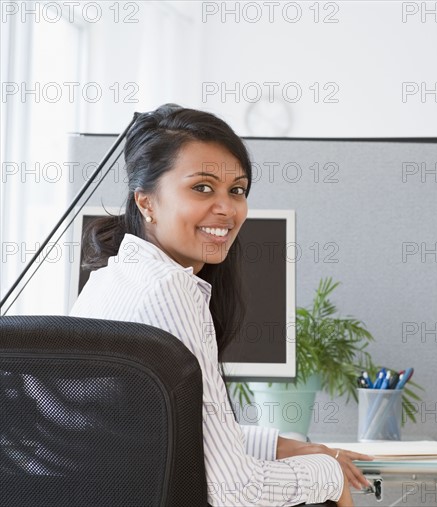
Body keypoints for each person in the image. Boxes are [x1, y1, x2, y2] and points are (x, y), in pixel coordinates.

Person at [69, 104, 372, 507]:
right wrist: (328, 475)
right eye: (202, 187)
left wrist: (287, 447)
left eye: (238, 190)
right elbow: (236, 492)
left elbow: (175, 434)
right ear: (146, 203)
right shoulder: (170, 290)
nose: (228, 209)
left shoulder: (110, 281)